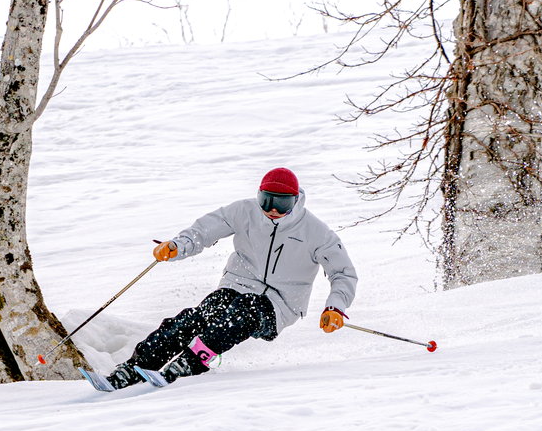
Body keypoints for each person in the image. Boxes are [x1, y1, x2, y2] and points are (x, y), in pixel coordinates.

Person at [82, 167, 358, 391]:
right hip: (237, 285)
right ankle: (134, 368)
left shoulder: (316, 232)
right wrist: (178, 246)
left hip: (280, 304)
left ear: (296, 200)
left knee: (242, 313)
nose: (272, 210)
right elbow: (205, 230)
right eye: (267, 201)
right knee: (193, 319)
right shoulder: (244, 211)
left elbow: (343, 272)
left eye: (281, 203)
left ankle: (190, 363)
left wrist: (335, 307)